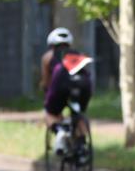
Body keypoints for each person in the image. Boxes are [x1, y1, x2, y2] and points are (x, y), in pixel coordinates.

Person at [39, 27, 94, 162]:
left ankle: (60, 131)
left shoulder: (48, 57)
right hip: (83, 87)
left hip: (60, 86)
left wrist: (46, 94)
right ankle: (81, 148)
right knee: (78, 114)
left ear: (51, 44)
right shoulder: (78, 55)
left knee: (49, 113)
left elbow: (46, 82)